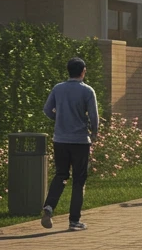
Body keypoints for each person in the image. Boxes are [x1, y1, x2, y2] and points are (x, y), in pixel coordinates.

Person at [40, 57, 100, 231]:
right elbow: (94, 116)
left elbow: (46, 109)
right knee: (78, 180)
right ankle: (74, 220)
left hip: (60, 139)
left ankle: (49, 206)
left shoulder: (58, 89)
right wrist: (94, 132)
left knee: (61, 175)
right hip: (80, 141)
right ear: (83, 71)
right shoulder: (87, 91)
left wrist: (58, 118)